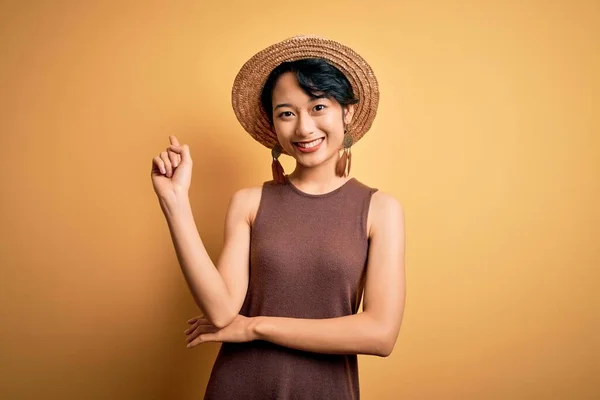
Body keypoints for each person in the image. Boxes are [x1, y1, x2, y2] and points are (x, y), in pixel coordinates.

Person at [151, 35, 406, 400]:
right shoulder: (248, 203)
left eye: (318, 107)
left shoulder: (380, 209)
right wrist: (175, 202)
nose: (303, 128)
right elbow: (222, 311)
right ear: (273, 125)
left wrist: (256, 327)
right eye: (286, 113)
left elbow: (380, 334)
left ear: (346, 112)